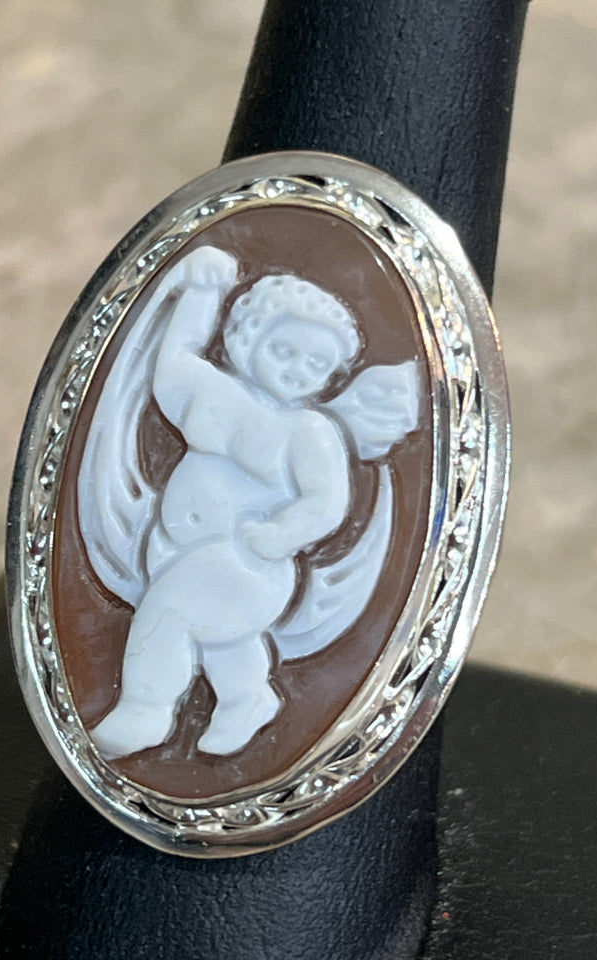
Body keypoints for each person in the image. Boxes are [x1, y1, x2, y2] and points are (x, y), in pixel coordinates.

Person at [90, 246, 368, 758]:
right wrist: (202, 291)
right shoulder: (212, 391)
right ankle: (247, 699)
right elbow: (175, 359)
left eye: (316, 364)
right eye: (283, 350)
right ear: (247, 337)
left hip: (247, 560)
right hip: (175, 548)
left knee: (169, 616)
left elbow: (328, 502)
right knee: (224, 639)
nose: (296, 370)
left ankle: (146, 710)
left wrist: (279, 535)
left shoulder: (307, 431)